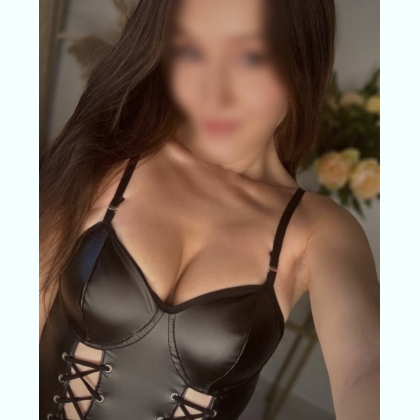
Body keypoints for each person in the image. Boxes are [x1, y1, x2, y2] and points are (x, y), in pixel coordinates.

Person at [39, 0, 379, 419]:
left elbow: (369, 367)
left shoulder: (316, 229)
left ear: (302, 59)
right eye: (192, 51)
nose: (214, 93)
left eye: (250, 57)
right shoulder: (106, 157)